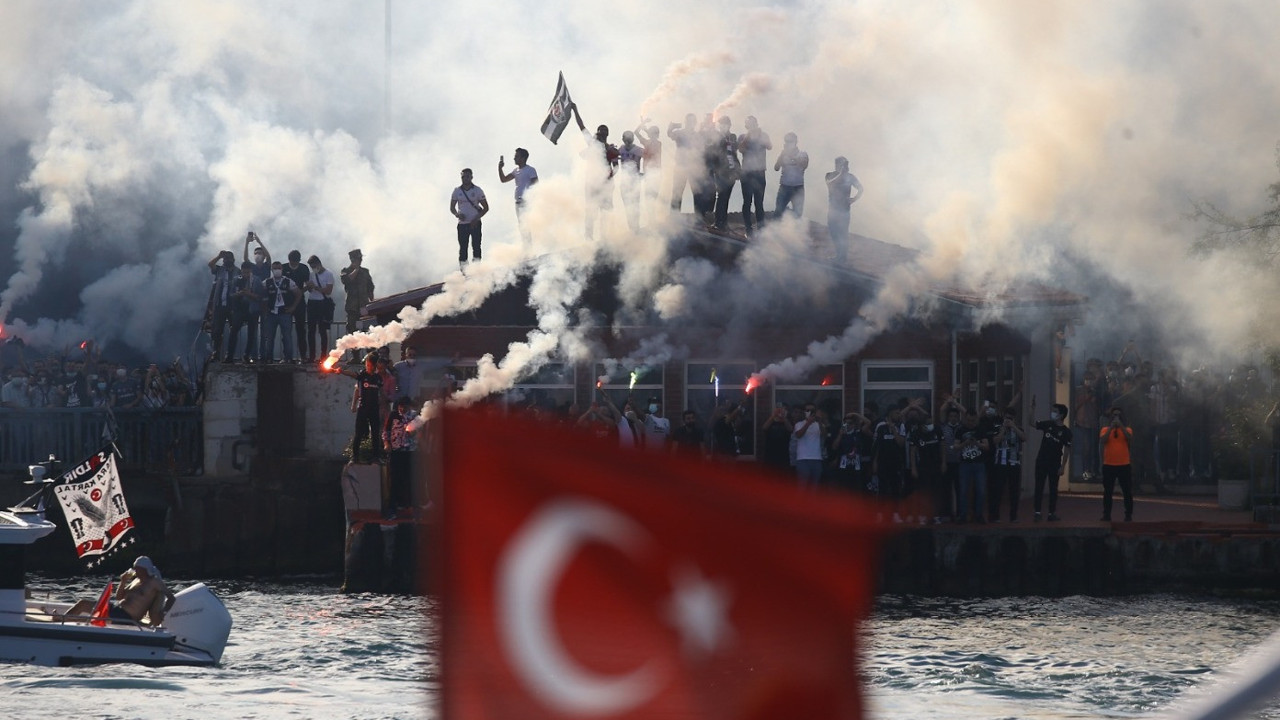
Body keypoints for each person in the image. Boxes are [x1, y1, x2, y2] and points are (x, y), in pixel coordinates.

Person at [571, 106, 619, 239]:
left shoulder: (611, 149)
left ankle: (604, 237)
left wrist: (608, 176)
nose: (602, 133)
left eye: (605, 131)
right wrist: (575, 110)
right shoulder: (592, 144)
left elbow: (616, 166)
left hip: (606, 183)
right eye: (600, 131)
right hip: (592, 182)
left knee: (605, 210)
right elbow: (581, 126)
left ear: (607, 134)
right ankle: (589, 238)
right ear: (597, 134)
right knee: (590, 209)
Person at [338, 353, 384, 463]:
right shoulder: (363, 375)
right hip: (363, 408)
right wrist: (342, 371)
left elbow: (381, 392)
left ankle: (376, 457)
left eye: (370, 365)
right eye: (367, 365)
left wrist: (382, 402)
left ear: (374, 366)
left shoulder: (378, 378)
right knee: (358, 432)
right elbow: (353, 375)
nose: (368, 367)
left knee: (375, 433)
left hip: (374, 408)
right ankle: (355, 456)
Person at [1032, 403, 1073, 522]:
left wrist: (1063, 466)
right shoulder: (1048, 424)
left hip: (1054, 463)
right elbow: (1032, 423)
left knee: (1053, 489)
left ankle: (1051, 513)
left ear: (1061, 415)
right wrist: (1032, 409)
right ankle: (1037, 512)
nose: (1052, 413)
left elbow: (1067, 450)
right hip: (1041, 461)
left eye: (1055, 411)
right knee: (1039, 486)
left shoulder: (1066, 432)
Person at [113, 556, 175, 625]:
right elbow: (119, 597)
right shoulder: (136, 581)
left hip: (127, 617)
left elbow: (171, 598)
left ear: (145, 569)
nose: (135, 570)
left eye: (137, 568)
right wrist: (123, 581)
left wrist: (164, 612)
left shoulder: (154, 582)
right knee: (104, 606)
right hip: (117, 610)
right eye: (135, 568)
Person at [260, 261, 302, 363]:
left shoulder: (289, 281)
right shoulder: (266, 282)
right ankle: (268, 358)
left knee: (287, 337)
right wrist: (264, 311)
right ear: (271, 270)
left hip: (285, 313)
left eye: (279, 268)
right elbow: (261, 296)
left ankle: (288, 358)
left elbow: (299, 294)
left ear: (282, 269)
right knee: (269, 337)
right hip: (271, 313)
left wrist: (293, 307)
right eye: (274, 269)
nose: (277, 270)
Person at [952, 410, 990, 523]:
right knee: (963, 490)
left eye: (973, 421)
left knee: (981, 490)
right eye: (968, 420)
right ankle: (963, 515)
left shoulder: (981, 429)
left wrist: (977, 443)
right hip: (965, 464)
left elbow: (987, 446)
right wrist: (965, 443)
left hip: (979, 463)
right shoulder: (960, 430)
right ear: (965, 418)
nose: (970, 423)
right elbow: (955, 447)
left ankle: (978, 515)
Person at [988, 409, 1025, 522]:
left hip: (1014, 463)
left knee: (1014, 491)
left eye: (1011, 418)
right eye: (1007, 418)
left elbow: (1024, 438)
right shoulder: (997, 428)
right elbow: (995, 441)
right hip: (1000, 463)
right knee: (997, 491)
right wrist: (1003, 429)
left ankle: (1013, 517)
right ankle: (995, 516)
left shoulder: (1018, 429)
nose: (1008, 420)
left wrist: (1014, 427)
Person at [737, 116, 772, 235]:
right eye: (749, 124)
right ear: (746, 126)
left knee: (759, 202)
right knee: (747, 202)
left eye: (753, 123)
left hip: (760, 172)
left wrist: (760, 135)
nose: (752, 125)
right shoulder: (742, 137)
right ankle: (748, 229)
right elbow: (740, 149)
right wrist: (748, 135)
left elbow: (770, 146)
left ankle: (761, 230)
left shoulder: (763, 135)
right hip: (747, 173)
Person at [825, 156, 863, 264]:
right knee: (833, 231)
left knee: (843, 233)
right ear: (836, 165)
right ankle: (839, 254)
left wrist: (853, 199)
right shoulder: (829, 175)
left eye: (845, 165)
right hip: (833, 209)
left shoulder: (850, 177)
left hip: (844, 210)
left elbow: (861, 188)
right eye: (841, 164)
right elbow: (830, 183)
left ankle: (842, 257)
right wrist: (841, 174)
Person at [1100, 406, 1135, 522]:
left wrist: (1121, 426)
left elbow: (1129, 437)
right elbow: (1103, 440)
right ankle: (1106, 514)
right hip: (1109, 464)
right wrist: (1111, 428)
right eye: (1114, 415)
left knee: (1127, 491)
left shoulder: (1127, 429)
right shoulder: (1105, 429)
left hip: (1124, 464)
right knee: (1108, 491)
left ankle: (1128, 514)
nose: (1116, 417)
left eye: (1118, 415)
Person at [497, 148, 538, 245]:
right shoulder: (516, 171)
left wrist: (528, 197)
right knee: (522, 226)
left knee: (526, 225)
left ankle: (529, 249)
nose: (514, 158)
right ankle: (527, 249)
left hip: (526, 202)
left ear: (523, 158)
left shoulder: (530, 170)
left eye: (517, 156)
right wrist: (500, 168)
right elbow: (503, 179)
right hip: (518, 203)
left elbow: (536, 184)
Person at [450, 168, 490, 269]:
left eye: (467, 176)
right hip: (462, 224)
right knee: (463, 248)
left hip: (475, 223)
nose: (465, 179)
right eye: (463, 177)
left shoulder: (477, 190)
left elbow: (486, 208)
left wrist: (475, 219)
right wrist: (457, 214)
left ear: (471, 177)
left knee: (476, 247)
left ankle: (477, 269)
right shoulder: (457, 191)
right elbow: (452, 207)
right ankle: (464, 271)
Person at [226, 261, 262, 364]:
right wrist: (239, 294)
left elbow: (260, 297)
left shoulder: (256, 280)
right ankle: (229, 356)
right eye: (244, 272)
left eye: (247, 272)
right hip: (239, 310)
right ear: (241, 270)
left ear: (251, 271)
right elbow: (231, 295)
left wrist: (249, 294)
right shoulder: (236, 280)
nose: (245, 274)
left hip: (252, 310)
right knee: (233, 332)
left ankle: (247, 355)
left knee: (251, 334)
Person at [708, 116, 740, 231]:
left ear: (729, 125)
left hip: (732, 171)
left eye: (725, 124)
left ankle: (724, 222)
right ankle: (718, 223)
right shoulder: (716, 136)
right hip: (720, 171)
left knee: (726, 198)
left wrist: (737, 170)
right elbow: (713, 151)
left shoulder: (732, 137)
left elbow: (734, 152)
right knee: (721, 197)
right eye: (721, 124)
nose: (723, 126)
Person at [206, 250, 237, 362]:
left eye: (229, 258)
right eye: (225, 259)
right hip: (219, 304)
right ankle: (216, 353)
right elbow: (210, 265)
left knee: (234, 331)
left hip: (232, 306)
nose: (226, 261)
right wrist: (219, 256)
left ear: (233, 260)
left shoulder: (238, 272)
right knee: (216, 331)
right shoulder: (220, 270)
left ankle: (230, 355)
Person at [303, 255, 335, 362]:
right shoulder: (311, 275)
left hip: (322, 303)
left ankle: (323, 356)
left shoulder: (328, 274)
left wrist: (316, 287)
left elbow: (328, 290)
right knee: (311, 330)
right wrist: (309, 286)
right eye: (311, 267)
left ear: (319, 264)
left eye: (314, 266)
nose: (313, 268)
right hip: (312, 302)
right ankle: (311, 356)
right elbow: (310, 291)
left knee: (322, 330)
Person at [667, 113, 701, 211]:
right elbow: (670, 134)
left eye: (692, 121)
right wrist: (670, 127)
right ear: (685, 122)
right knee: (677, 193)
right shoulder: (680, 132)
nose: (690, 123)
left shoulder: (697, 135)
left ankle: (697, 219)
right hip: (680, 167)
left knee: (697, 193)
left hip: (693, 167)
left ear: (695, 123)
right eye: (688, 121)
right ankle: (674, 218)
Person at [283, 250, 311, 362]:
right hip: (285, 302)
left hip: (300, 303)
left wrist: (299, 292)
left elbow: (307, 285)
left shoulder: (304, 268)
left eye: (296, 262)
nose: (294, 264)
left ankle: (303, 356)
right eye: (292, 262)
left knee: (301, 330)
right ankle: (287, 356)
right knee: (286, 331)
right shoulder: (284, 268)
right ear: (289, 260)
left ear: (299, 260)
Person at [340, 249, 375, 337]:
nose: (361, 261)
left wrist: (372, 303)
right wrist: (356, 269)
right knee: (353, 331)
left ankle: (369, 350)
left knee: (367, 330)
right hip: (352, 308)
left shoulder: (365, 272)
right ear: (352, 260)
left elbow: (370, 288)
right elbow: (347, 280)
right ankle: (355, 350)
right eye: (358, 259)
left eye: (361, 259)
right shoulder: (345, 271)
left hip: (364, 306)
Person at [773, 132, 809, 218]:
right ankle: (776, 230)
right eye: (786, 141)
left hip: (798, 187)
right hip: (784, 186)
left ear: (796, 142)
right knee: (778, 212)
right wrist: (782, 156)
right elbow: (776, 168)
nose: (788, 143)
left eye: (790, 141)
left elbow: (804, 164)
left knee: (797, 214)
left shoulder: (803, 154)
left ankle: (794, 230)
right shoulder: (783, 154)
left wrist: (791, 156)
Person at [616, 131, 645, 232]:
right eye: (625, 137)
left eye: (629, 137)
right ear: (622, 138)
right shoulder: (620, 149)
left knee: (635, 205)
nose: (627, 139)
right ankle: (632, 229)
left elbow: (650, 158)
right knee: (627, 207)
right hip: (624, 182)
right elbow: (612, 157)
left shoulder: (639, 150)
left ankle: (636, 228)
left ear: (633, 138)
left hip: (635, 181)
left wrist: (644, 172)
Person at [793, 402, 825, 488]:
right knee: (802, 487)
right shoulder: (799, 424)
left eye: (812, 410)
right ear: (804, 412)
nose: (810, 412)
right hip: (803, 459)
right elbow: (798, 435)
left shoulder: (819, 425)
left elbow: (824, 435)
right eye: (808, 410)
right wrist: (808, 423)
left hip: (816, 459)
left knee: (815, 487)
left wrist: (820, 421)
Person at [761, 405, 794, 472]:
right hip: (770, 454)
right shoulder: (771, 420)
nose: (780, 411)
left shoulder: (788, 421)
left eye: (782, 409)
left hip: (783, 455)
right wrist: (773, 416)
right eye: (778, 409)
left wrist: (784, 418)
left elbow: (790, 429)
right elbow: (764, 427)